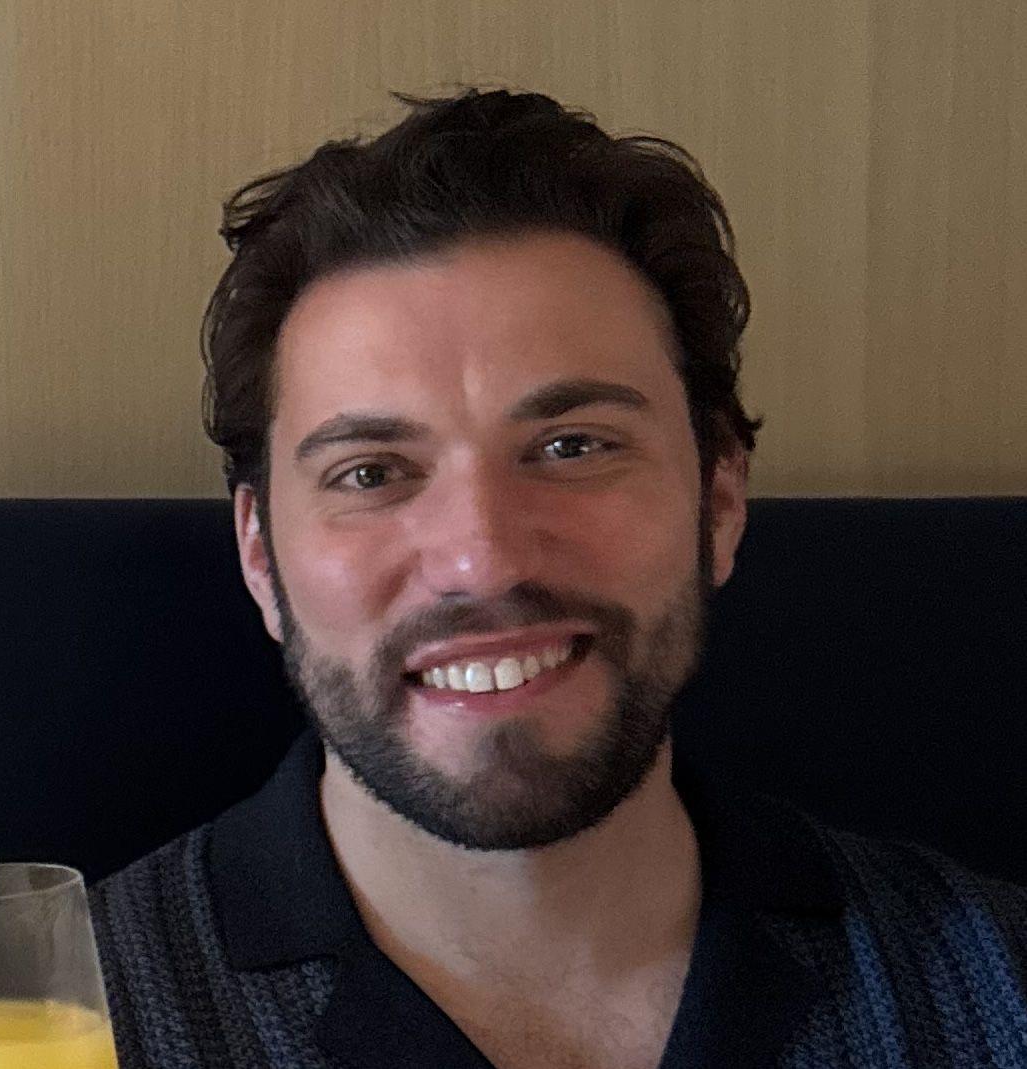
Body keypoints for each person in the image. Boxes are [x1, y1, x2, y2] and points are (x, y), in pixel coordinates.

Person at [89, 88, 1027, 1069]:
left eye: (573, 445)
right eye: (370, 473)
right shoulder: (56, 1019)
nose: (482, 558)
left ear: (717, 500)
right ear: (259, 555)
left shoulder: (998, 984)